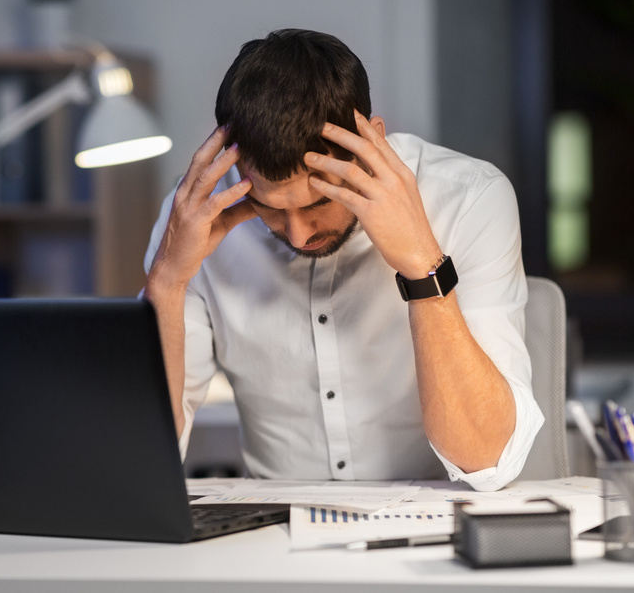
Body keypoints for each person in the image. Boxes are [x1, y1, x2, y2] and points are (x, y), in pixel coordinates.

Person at [143, 29, 542, 491]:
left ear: (371, 142)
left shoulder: (469, 199)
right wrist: (167, 282)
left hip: (431, 531)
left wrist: (422, 265)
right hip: (272, 534)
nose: (297, 233)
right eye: (269, 206)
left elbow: (488, 459)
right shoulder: (193, 218)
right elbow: (146, 456)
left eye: (317, 203)